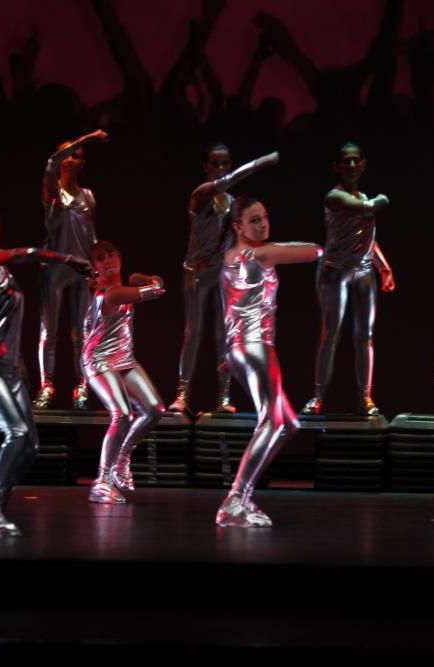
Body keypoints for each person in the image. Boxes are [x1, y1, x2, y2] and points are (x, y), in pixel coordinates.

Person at [0, 205, 91, 536]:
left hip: (9, 367)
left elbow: (10, 326)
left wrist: (21, 369)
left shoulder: (7, 276)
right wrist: (67, 259)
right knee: (16, 433)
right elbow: (27, 253)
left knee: (30, 443)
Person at [217, 195, 321, 527]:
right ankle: (235, 500)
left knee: (288, 423)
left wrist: (229, 353)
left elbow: (229, 307)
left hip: (241, 347)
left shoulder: (228, 258)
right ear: (238, 226)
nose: (263, 224)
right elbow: (313, 251)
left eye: (265, 217)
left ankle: (243, 496)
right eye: (254, 220)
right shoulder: (262, 253)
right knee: (272, 422)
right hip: (256, 347)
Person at [168, 145, 280, 414]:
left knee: (225, 336)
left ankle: (223, 398)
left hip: (221, 276)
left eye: (224, 164)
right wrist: (261, 162)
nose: (220, 169)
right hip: (196, 274)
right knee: (192, 334)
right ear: (205, 166)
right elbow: (225, 184)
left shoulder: (231, 203)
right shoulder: (201, 195)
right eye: (214, 164)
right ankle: (182, 396)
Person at [302, 142, 394, 416]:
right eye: (346, 161)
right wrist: (382, 199)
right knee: (330, 335)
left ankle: (365, 399)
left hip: (363, 271)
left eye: (356, 161)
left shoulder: (363, 196)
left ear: (363, 164)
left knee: (364, 336)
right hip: (335, 271)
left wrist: (384, 268)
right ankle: (317, 398)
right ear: (337, 166)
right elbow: (370, 208)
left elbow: (368, 238)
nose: (352, 166)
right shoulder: (335, 196)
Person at [81, 241, 166, 504]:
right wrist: (147, 279)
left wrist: (144, 280)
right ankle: (102, 482)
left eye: (111, 254)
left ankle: (121, 459)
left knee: (154, 409)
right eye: (100, 258)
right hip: (98, 361)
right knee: (122, 414)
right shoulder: (111, 294)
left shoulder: (122, 289)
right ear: (94, 268)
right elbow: (156, 290)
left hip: (123, 358)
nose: (107, 260)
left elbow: (153, 287)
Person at [35, 129, 109, 410]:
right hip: (54, 269)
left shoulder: (88, 196)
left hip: (81, 271)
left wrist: (98, 269)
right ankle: (47, 386)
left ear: (81, 164)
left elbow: (91, 236)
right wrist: (87, 139)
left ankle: (82, 387)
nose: (69, 159)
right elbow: (52, 164)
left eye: (76, 156)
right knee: (49, 331)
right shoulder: (53, 193)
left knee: (82, 332)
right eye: (67, 154)